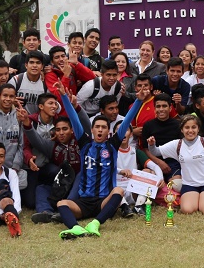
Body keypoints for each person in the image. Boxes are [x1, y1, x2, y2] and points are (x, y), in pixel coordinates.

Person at [54, 82, 142, 239]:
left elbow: (127, 120)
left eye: (104, 127)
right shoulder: (85, 144)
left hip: (103, 202)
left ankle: (95, 223)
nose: (100, 129)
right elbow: (74, 119)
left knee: (119, 191)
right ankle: (76, 228)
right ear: (92, 130)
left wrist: (139, 101)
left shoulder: (112, 145)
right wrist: (63, 96)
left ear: (108, 131)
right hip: (83, 202)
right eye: (97, 127)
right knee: (61, 203)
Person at [19, 93, 60, 208]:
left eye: (55, 104)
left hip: (48, 165)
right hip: (32, 166)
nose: (54, 106)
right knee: (31, 203)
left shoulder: (58, 123)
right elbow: (24, 145)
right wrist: (29, 159)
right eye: (50, 103)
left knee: (56, 171)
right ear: (41, 106)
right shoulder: (30, 121)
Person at [142, 93, 182, 183]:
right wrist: (159, 162)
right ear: (154, 108)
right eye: (158, 106)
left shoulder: (178, 125)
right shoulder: (148, 125)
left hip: (173, 162)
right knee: (148, 180)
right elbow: (145, 149)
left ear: (170, 108)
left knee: (177, 184)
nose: (161, 109)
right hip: (153, 162)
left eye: (164, 106)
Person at [10, 50, 47, 115]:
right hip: (17, 119)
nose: (34, 65)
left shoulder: (46, 83)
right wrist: (12, 101)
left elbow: (54, 105)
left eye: (38, 63)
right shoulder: (16, 80)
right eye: (31, 62)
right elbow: (4, 100)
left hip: (37, 120)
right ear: (26, 65)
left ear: (42, 66)